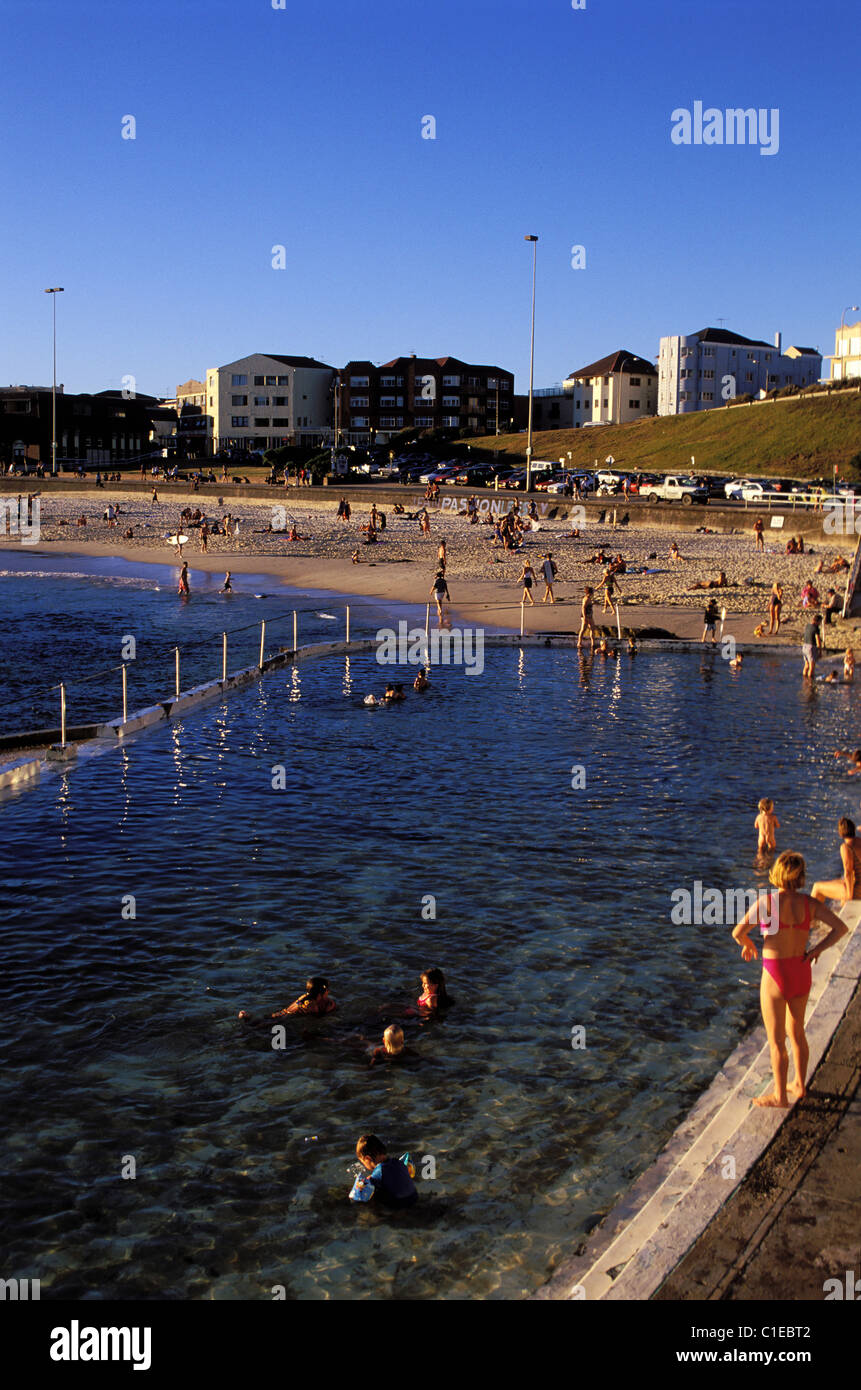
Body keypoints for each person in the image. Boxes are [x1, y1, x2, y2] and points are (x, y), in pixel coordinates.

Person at [732, 851, 849, 1107]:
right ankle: (799, 1084)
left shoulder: (767, 903)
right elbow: (841, 928)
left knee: (776, 1042)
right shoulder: (810, 904)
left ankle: (780, 1096)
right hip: (801, 970)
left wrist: (749, 945)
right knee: (797, 1034)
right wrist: (817, 949)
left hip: (775, 975)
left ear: (777, 873)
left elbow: (738, 932)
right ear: (801, 876)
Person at [350, 1135, 417, 1207]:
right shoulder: (398, 1162)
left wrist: (368, 1180)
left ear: (367, 1159)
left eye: (363, 1162)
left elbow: (367, 1186)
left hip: (400, 1205)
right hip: (414, 1198)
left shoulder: (379, 1171)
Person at [811, 818, 861, 904]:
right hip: (857, 884)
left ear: (840, 833)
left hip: (857, 889)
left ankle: (808, 916)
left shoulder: (846, 847)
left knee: (817, 887)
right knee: (834, 883)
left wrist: (849, 897)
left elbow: (848, 871)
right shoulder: (859, 841)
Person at [801, 612, 822, 678]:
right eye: (820, 622)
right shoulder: (816, 628)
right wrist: (820, 651)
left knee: (806, 665)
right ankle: (810, 682)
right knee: (811, 667)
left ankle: (804, 680)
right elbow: (818, 640)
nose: (820, 624)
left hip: (804, 646)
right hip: (811, 647)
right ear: (818, 621)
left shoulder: (807, 626)